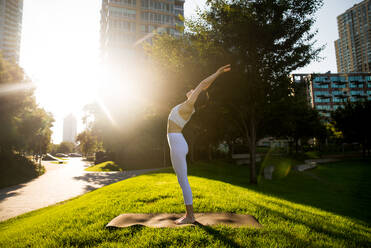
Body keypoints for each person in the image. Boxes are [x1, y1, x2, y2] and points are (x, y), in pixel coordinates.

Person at [167, 64, 231, 224]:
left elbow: (203, 85)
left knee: (183, 180)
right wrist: (208, 84)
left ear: (196, 96)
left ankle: (190, 216)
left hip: (177, 143)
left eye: (195, 91)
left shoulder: (189, 105)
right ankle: (188, 214)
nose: (193, 89)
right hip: (178, 142)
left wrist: (217, 72)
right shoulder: (188, 105)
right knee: (182, 180)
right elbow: (203, 87)